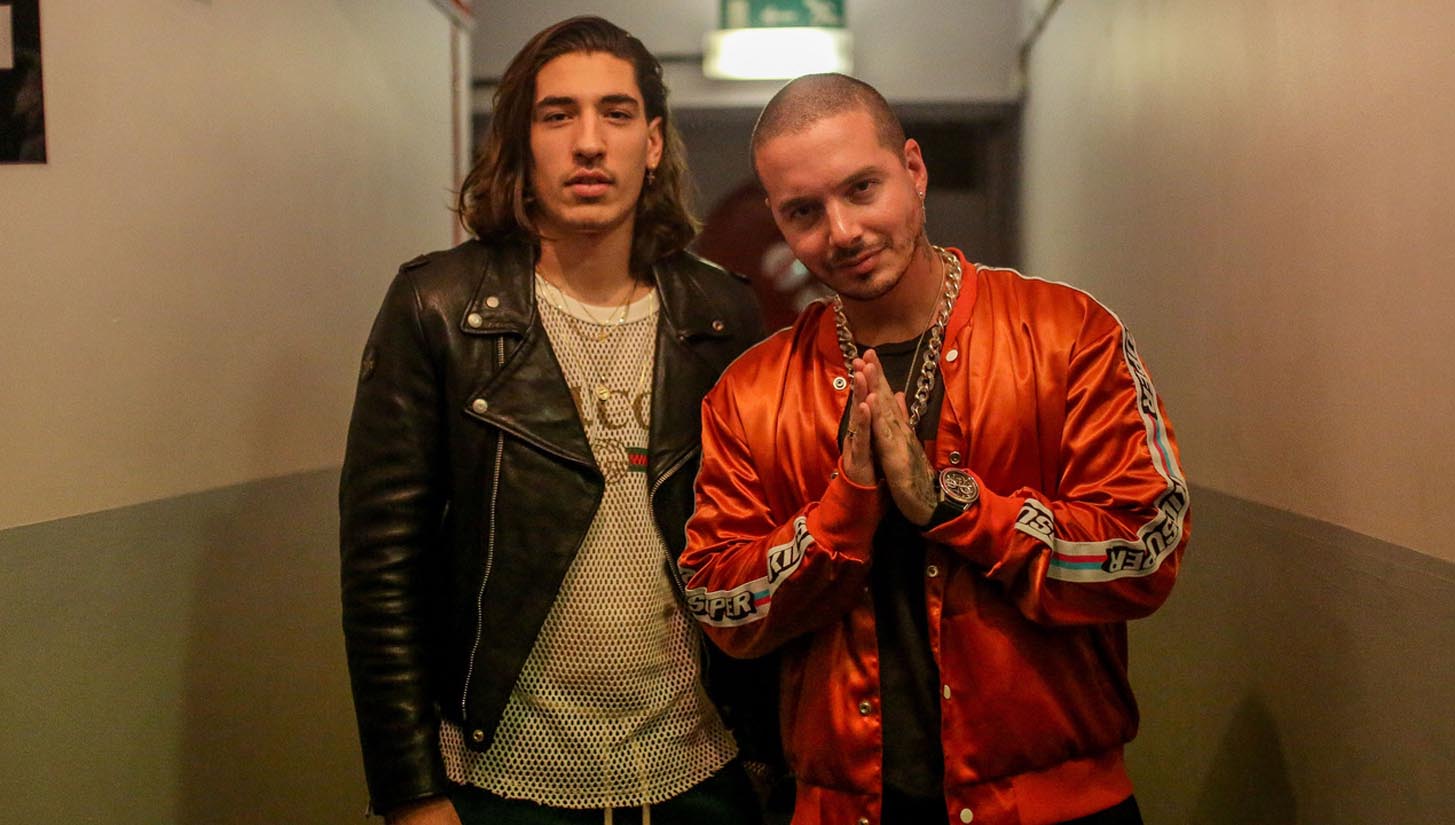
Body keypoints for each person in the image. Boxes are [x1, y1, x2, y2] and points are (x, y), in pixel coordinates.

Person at [679, 73, 1190, 825]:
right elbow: (721, 604)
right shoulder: (749, 392)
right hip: (844, 809)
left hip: (1054, 806)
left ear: (913, 170)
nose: (842, 231)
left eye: (862, 189)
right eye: (803, 212)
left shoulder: (1068, 334)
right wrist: (844, 511)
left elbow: (1145, 553)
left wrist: (955, 507)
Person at [340, 17, 769, 825]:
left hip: (699, 768)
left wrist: (769, 758)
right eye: (557, 115)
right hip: (501, 776)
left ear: (652, 143)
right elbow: (381, 571)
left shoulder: (721, 313)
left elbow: (755, 548)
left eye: (615, 113)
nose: (588, 143)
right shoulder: (438, 308)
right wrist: (410, 791)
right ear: (521, 142)